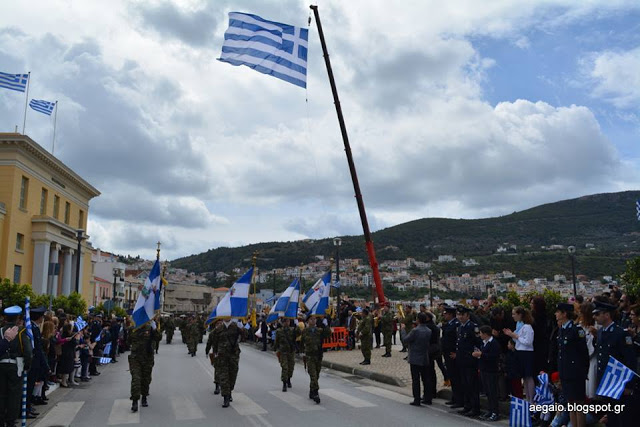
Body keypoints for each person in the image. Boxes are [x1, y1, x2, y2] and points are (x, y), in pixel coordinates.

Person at [592, 300, 636, 427]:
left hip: (618, 381)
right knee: (610, 416)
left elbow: (629, 360)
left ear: (607, 315)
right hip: (606, 381)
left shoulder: (620, 333)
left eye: (598, 314)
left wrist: (628, 384)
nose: (595, 317)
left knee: (621, 417)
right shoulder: (601, 332)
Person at [555, 302, 589, 427]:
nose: (556, 314)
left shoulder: (576, 330)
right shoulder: (562, 330)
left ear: (564, 314)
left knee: (578, 405)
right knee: (570, 405)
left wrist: (583, 372)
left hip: (576, 373)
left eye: (558, 312)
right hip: (565, 372)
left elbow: (583, 354)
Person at [0, 306, 33, 427]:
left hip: (1, 364)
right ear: (18, 318)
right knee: (14, 395)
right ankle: (10, 421)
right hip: (16, 366)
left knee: (2, 393)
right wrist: (27, 365)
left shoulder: (1, 330)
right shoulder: (21, 331)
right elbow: (28, 351)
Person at [210, 318, 246, 408]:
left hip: (233, 356)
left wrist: (242, 328)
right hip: (222, 356)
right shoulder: (218, 329)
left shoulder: (235, 326)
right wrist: (214, 353)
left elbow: (245, 337)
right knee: (224, 376)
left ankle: (229, 391)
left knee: (232, 376)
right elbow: (214, 342)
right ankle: (226, 397)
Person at [454, 305, 482, 417]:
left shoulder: (472, 327)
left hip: (470, 360)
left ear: (467, 315)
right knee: (465, 384)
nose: (460, 317)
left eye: (462, 315)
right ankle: (467, 406)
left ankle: (475, 408)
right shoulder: (460, 327)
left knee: (472, 385)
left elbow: (477, 343)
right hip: (461, 360)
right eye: (459, 314)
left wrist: (474, 356)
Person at [503, 306, 535, 404]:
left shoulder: (527, 327)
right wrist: (512, 335)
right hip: (520, 352)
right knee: (524, 378)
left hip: (526, 353)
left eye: (514, 314)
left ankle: (531, 399)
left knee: (528, 377)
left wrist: (515, 336)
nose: (512, 316)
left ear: (520, 315)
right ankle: (528, 399)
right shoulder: (519, 325)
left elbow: (528, 342)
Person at [127, 320, 159, 412]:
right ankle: (135, 401)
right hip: (135, 358)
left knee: (146, 379)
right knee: (136, 379)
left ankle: (144, 397)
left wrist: (155, 329)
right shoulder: (132, 329)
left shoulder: (150, 329)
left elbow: (158, 338)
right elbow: (128, 341)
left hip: (147, 358)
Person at [403, 312, 432, 406]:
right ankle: (428, 398)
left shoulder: (415, 330)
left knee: (416, 380)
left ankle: (417, 399)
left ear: (418, 320)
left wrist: (403, 330)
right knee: (426, 379)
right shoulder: (428, 330)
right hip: (424, 357)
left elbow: (406, 339)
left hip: (415, 357)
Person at [473, 325, 500, 422]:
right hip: (484, 369)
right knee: (488, 392)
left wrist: (481, 354)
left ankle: (495, 412)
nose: (479, 335)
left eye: (480, 333)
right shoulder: (483, 343)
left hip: (491, 371)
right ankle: (490, 410)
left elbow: (494, 357)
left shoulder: (494, 343)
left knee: (492, 392)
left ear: (485, 334)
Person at [302, 316, 330, 404]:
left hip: (318, 356)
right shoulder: (305, 331)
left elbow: (328, 334)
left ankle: (311, 390)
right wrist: (302, 353)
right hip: (309, 356)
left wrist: (325, 325)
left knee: (316, 375)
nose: (313, 321)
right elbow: (301, 342)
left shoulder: (319, 330)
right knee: (313, 375)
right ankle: (316, 393)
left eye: (314, 319)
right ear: (308, 321)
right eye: (311, 319)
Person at [442, 305, 463, 408]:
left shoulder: (456, 324)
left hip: (452, 354)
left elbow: (457, 340)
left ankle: (459, 400)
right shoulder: (449, 324)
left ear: (450, 314)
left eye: (445, 313)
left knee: (456, 378)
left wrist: (456, 353)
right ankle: (454, 398)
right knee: (452, 377)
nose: (444, 315)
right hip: (447, 354)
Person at [274, 318, 298, 392]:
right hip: (283, 352)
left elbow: (299, 333)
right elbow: (276, 341)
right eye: (285, 321)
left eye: (288, 321)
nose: (286, 323)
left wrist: (296, 325)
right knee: (285, 368)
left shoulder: (293, 330)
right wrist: (275, 349)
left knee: (291, 367)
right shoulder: (279, 331)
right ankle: (284, 384)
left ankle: (288, 379)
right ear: (282, 323)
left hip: (291, 352)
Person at [205, 320, 222, 395]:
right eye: (218, 323)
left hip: (226, 354)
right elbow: (209, 343)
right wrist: (207, 351)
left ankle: (225, 387)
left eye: (221, 323)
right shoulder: (213, 333)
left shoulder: (226, 331)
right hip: (217, 353)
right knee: (218, 370)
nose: (219, 325)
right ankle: (217, 386)